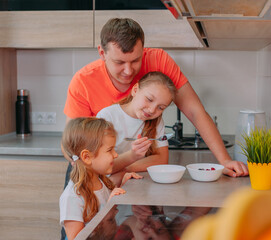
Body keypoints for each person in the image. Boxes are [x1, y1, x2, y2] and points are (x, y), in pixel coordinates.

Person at [63, 17, 248, 178]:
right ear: (102, 53)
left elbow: (194, 111)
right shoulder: (83, 81)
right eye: (119, 62)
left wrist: (224, 160)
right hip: (89, 172)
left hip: (125, 173)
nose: (128, 71)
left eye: (136, 60)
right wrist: (87, 165)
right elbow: (71, 143)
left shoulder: (159, 61)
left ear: (143, 50)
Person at [59, 117, 142, 240]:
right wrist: (108, 211)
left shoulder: (101, 180)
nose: (115, 154)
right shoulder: (72, 198)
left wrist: (123, 184)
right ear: (87, 157)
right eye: (110, 150)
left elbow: (102, 204)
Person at [96, 71, 176, 186]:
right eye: (149, 99)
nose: (152, 110)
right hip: (104, 185)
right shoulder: (107, 116)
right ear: (135, 90)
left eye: (160, 107)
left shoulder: (156, 121)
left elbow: (162, 159)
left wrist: (124, 170)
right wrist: (132, 156)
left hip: (132, 179)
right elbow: (101, 166)